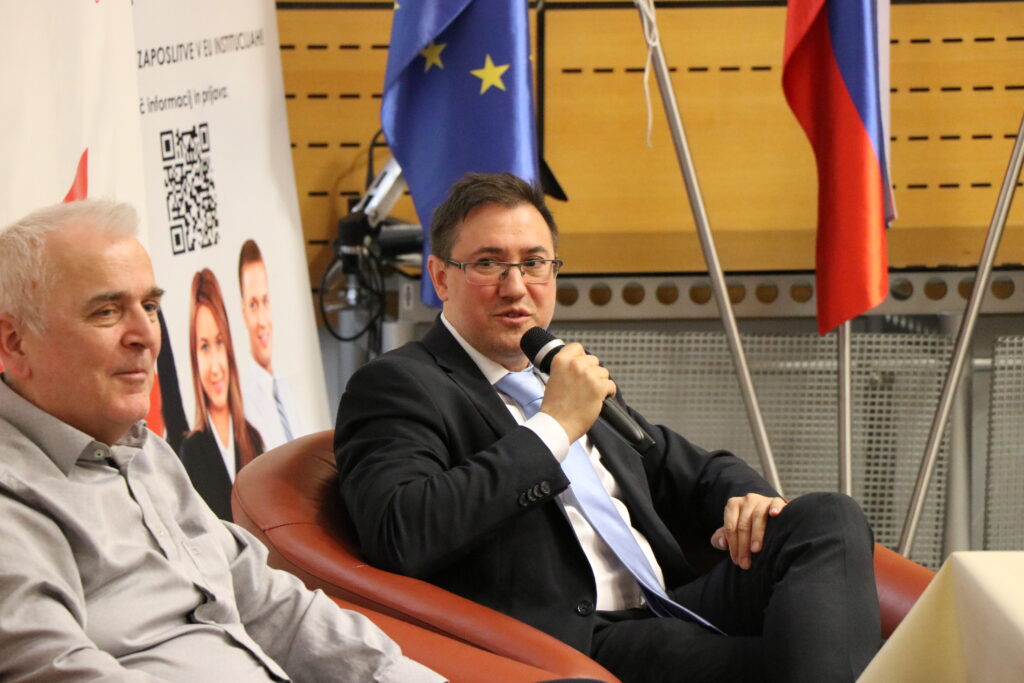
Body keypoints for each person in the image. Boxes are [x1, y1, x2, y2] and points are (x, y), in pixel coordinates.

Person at [335, 173, 882, 683]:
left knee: (828, 517)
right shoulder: (399, 384)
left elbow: (683, 466)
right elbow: (402, 531)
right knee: (822, 663)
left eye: (534, 263)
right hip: (575, 639)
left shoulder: (559, 371)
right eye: (488, 263)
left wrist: (751, 501)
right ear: (440, 277)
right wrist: (554, 427)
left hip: (671, 602)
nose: (516, 286)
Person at [0, 199, 441, 682]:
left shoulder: (145, 453)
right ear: (14, 342)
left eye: (150, 307)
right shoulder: (14, 495)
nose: (146, 335)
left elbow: (273, 607)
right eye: (106, 312)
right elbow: (57, 670)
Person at [180, 268, 264, 520]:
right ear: (194, 357)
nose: (215, 367)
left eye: (219, 342)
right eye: (204, 347)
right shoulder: (190, 451)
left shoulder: (253, 440)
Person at [237, 239, 304, 451]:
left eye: (265, 302)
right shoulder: (245, 406)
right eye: (253, 304)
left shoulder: (287, 389)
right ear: (244, 312)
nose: (262, 321)